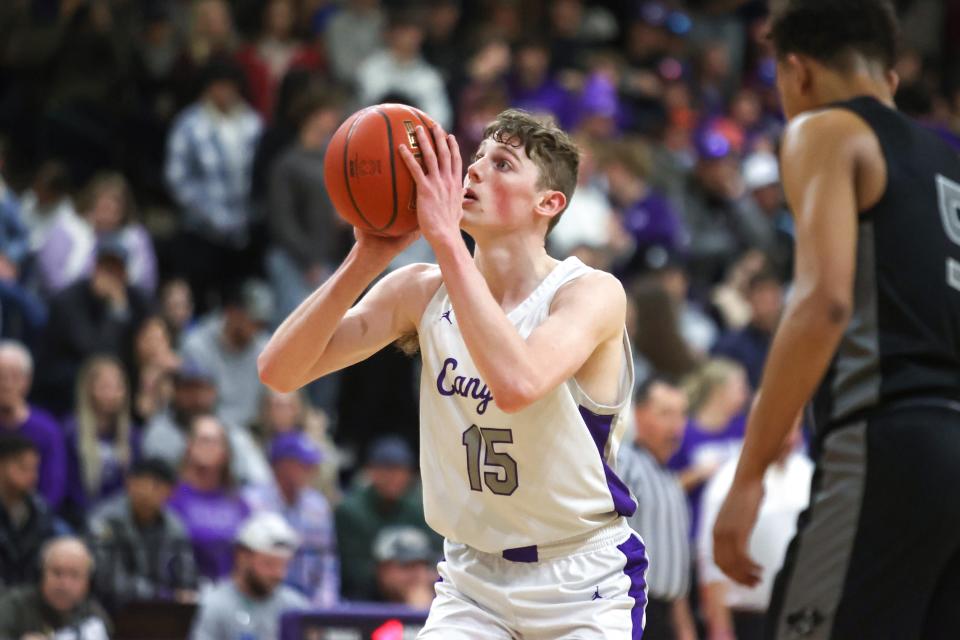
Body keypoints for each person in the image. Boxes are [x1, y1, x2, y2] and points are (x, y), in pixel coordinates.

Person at [260, 109, 648, 637]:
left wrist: (444, 239)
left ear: (549, 203)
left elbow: (519, 383)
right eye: (477, 159)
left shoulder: (589, 293)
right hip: (472, 582)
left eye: (503, 164)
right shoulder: (420, 290)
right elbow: (280, 370)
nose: (475, 172)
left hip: (582, 578)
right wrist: (365, 257)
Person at [712, 2, 960, 638]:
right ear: (891, 77)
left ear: (797, 72)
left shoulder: (826, 129)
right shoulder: (949, 160)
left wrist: (748, 476)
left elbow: (823, 303)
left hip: (890, 440)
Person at [699, 423, 811, 640]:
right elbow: (710, 561)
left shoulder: (807, 472)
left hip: (801, 615)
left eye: (795, 430)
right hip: (748, 618)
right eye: (785, 429)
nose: (791, 439)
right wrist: (720, 628)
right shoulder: (727, 479)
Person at [618, 378, 696, 640]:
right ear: (638, 414)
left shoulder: (671, 482)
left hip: (666, 616)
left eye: (681, 414)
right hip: (629, 608)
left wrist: (684, 627)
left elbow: (674, 567)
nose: (676, 425)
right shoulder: (625, 462)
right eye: (665, 413)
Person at [335, 435, 436, 601]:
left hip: (416, 588)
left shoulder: (421, 508)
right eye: (386, 469)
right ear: (371, 471)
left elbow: (436, 555)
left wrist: (414, 576)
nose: (393, 477)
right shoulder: (350, 511)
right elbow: (352, 571)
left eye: (400, 470)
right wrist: (387, 575)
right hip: (365, 598)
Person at [87, 458, 198, 609]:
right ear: (129, 483)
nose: (146, 491)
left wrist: (185, 594)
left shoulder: (175, 527)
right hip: (111, 610)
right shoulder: (104, 521)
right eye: (141, 483)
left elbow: (187, 577)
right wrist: (165, 595)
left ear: (170, 492)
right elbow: (108, 582)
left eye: (156, 485)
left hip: (163, 613)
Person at [243, 432, 339, 606]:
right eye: (304, 464)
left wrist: (325, 608)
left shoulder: (318, 506)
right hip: (263, 598)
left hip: (309, 602)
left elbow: (326, 564)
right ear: (281, 465)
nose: (311, 470)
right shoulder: (251, 502)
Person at [190, 511, 309, 640]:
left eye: (283, 566)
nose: (278, 574)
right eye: (269, 564)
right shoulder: (212, 605)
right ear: (242, 558)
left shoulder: (296, 607)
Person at [168, 414, 250, 582]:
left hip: (229, 591)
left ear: (226, 452)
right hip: (185, 589)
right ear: (189, 445)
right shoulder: (172, 497)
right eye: (203, 440)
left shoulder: (238, 502)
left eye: (216, 441)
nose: (209, 447)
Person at [62, 355, 139, 526]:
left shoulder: (132, 435)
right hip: (77, 518)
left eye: (118, 387)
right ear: (88, 389)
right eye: (104, 386)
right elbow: (67, 486)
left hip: (119, 521)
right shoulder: (70, 431)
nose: (112, 394)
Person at [0, 537, 112, 639]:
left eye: (74, 575)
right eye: (57, 573)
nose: (64, 584)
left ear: (88, 582)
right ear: (41, 573)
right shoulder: (13, 607)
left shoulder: (95, 616)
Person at [0, 340, 67, 510]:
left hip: (35, 515)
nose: (6, 384)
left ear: (27, 381)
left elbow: (53, 488)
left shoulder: (47, 429)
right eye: (1, 376)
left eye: (14, 376)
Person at [0, 434, 63, 588]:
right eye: (23, 468)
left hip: (28, 600)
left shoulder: (40, 511)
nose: (33, 476)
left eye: (35, 468)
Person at [371, 526, 439, 609]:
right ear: (383, 569)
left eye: (423, 564)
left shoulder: (442, 598)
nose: (418, 574)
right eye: (408, 565)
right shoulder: (362, 597)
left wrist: (425, 609)